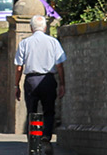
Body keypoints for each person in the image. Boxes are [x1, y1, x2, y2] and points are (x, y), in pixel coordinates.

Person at [13, 14, 66, 154]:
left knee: (32, 111)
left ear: (31, 28)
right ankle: (46, 137)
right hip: (48, 80)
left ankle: (32, 141)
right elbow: (60, 65)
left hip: (31, 80)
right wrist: (62, 84)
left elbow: (19, 67)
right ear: (45, 27)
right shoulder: (53, 42)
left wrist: (16, 85)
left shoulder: (24, 43)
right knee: (49, 111)